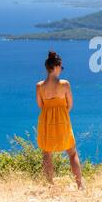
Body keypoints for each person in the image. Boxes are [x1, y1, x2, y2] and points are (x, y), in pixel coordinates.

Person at [36, 51, 83, 189]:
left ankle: (50, 186)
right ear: (56, 67)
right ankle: (80, 186)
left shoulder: (39, 86)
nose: (61, 70)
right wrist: (61, 113)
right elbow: (70, 104)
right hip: (62, 120)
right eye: (61, 67)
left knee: (46, 153)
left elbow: (40, 105)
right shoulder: (64, 84)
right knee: (72, 152)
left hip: (46, 121)